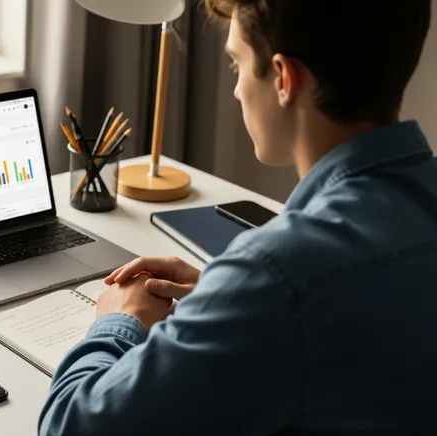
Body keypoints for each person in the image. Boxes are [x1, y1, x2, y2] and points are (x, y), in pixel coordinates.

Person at [38, 0, 436, 435]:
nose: (236, 90)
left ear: (284, 79)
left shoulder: (276, 274)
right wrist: (221, 295)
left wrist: (121, 319)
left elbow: (69, 426)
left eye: (236, 65)